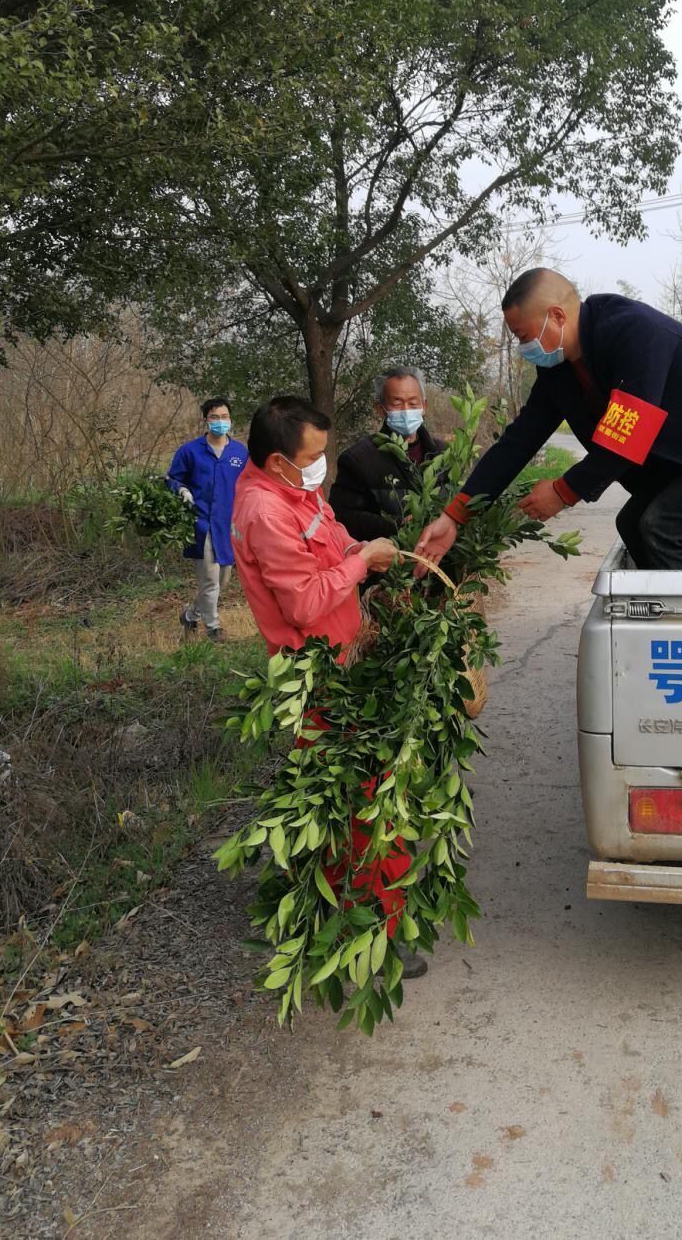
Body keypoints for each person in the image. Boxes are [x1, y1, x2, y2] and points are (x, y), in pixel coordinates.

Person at [415, 269, 682, 571]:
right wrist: (454, 516)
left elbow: (629, 430)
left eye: (522, 336)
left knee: (660, 527)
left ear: (555, 316)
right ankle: (670, 616)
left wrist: (564, 489)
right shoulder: (558, 373)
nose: (522, 348)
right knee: (633, 521)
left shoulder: (630, 330)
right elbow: (518, 442)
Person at [231, 395, 426, 977]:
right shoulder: (265, 513)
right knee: (363, 804)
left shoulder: (296, 492)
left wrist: (359, 551)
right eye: (311, 458)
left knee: (356, 797)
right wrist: (362, 566)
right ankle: (373, 936)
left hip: (344, 661)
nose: (320, 467)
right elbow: (304, 602)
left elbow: (332, 531)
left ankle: (358, 914)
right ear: (275, 462)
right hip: (317, 679)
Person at [167, 397, 249, 642]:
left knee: (222, 580)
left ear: (230, 420)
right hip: (201, 523)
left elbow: (249, 485)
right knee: (210, 579)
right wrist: (181, 490)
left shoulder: (239, 452)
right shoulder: (190, 451)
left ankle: (190, 615)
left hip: (229, 526)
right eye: (215, 417)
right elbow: (173, 479)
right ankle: (213, 628)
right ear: (206, 420)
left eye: (224, 417)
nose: (220, 422)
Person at [329, 367, 442, 543]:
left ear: (424, 406)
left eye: (413, 403)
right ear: (380, 409)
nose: (406, 410)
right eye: (397, 403)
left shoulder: (444, 454)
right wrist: (396, 525)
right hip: (387, 561)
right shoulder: (358, 459)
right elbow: (343, 517)